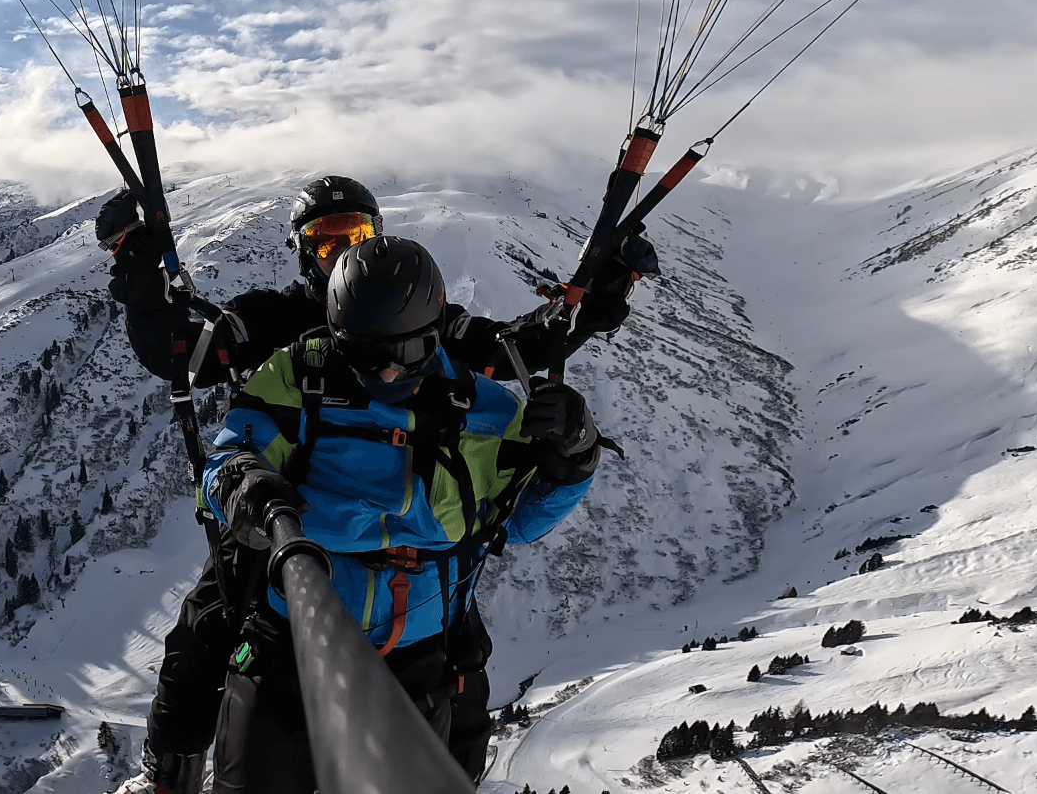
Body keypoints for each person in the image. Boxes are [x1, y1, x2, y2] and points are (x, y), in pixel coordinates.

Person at [97, 175, 654, 791]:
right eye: (323, 238)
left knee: (457, 653)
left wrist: (604, 295)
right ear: (302, 248)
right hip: (282, 502)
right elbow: (185, 353)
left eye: (353, 235)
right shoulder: (276, 319)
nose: (338, 250)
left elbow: (517, 349)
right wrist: (141, 273)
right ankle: (170, 765)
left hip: (400, 547)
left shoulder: (414, 314)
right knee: (205, 628)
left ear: (375, 237)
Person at [203, 235, 604, 794]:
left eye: (409, 353)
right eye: (368, 356)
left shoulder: (486, 412)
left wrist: (575, 456)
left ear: (437, 333)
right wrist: (245, 485)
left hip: (417, 661)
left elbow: (520, 519)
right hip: (291, 644)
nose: (389, 375)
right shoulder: (297, 380)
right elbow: (230, 453)